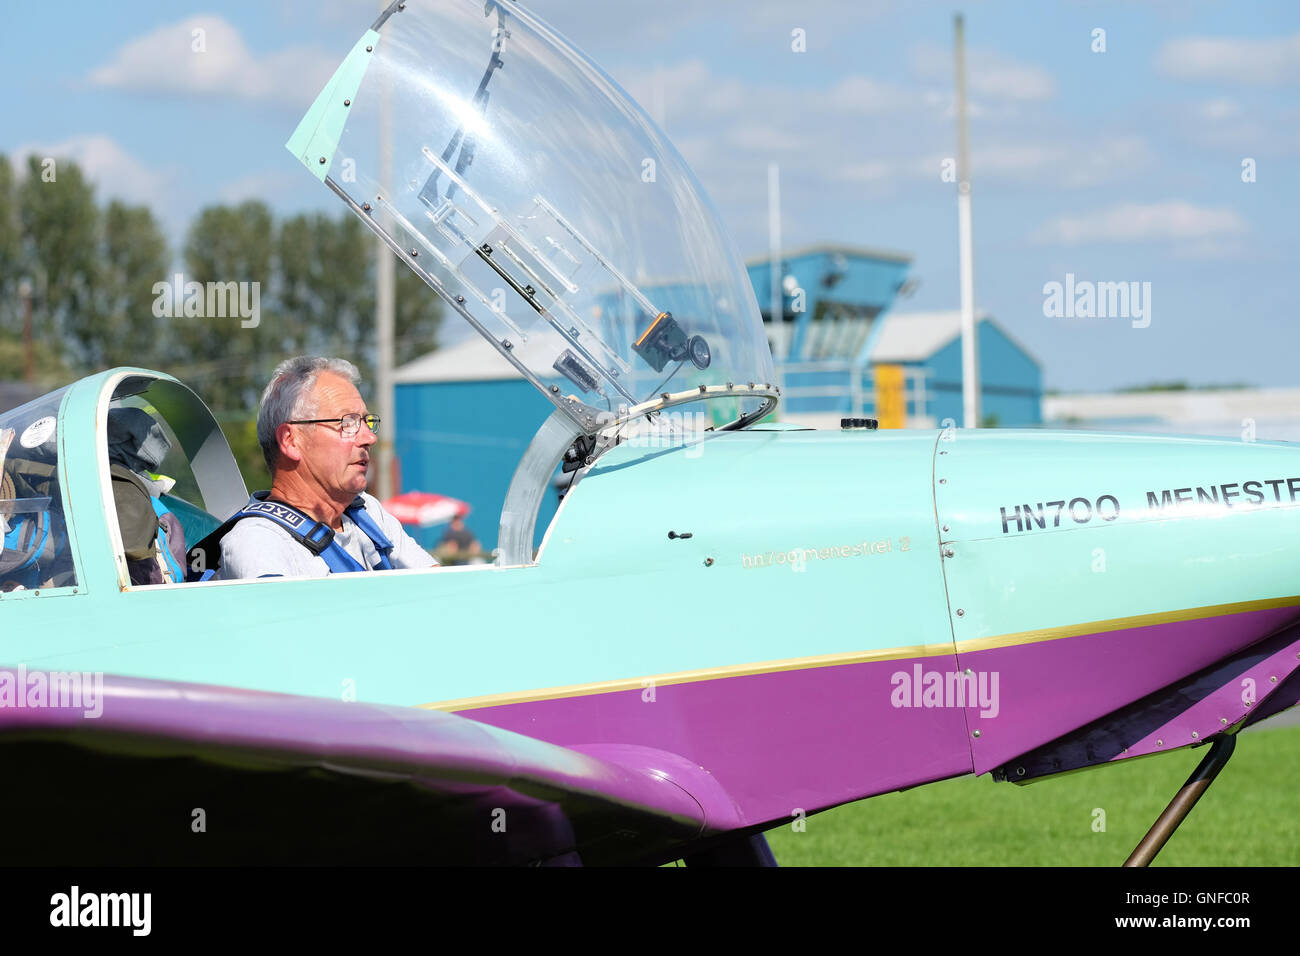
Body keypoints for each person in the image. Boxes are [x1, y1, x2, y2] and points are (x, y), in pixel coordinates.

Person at [214, 356, 437, 580]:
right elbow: (281, 615)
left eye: (366, 422)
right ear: (291, 441)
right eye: (347, 423)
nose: (369, 437)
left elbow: (442, 587)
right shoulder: (258, 542)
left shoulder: (366, 511)